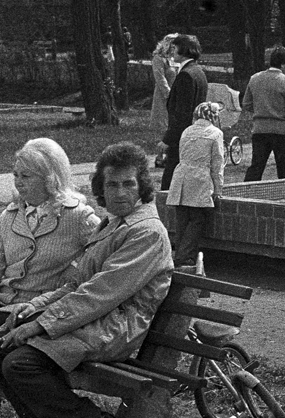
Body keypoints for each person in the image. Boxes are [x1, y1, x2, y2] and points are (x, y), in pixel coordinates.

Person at [0, 142, 173, 418]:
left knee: (20, 364)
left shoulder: (146, 232)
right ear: (101, 189)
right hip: (93, 320)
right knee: (5, 353)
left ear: (141, 186)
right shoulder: (114, 223)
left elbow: (100, 292)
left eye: (128, 184)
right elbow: (76, 285)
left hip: (115, 328)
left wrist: (41, 325)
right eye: (111, 185)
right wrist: (34, 307)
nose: (119, 193)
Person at [2, 139, 99, 307]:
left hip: (45, 308)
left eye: (26, 176)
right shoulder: (8, 216)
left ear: (50, 179)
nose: (18, 182)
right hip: (5, 303)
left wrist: (76, 267)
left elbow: (106, 247)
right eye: (15, 175)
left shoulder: (77, 215)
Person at [166, 102, 224, 268]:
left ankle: (179, 254)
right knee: (198, 218)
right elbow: (217, 164)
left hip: (181, 177)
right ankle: (183, 256)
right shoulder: (215, 134)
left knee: (182, 219)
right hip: (200, 179)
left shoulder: (186, 131)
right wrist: (218, 189)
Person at [243, 46, 285, 181]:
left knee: (256, 167)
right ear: (283, 64)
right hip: (281, 130)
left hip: (260, 129)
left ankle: (245, 195)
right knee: (284, 170)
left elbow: (246, 104)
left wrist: (261, 110)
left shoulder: (255, 78)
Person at [160, 34, 208, 190]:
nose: (172, 51)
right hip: (192, 134)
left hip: (182, 137)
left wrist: (167, 139)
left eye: (175, 47)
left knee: (169, 183)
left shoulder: (186, 75)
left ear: (184, 49)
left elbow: (182, 113)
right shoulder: (198, 71)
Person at [150, 33, 180, 165]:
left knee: (173, 124)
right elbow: (160, 78)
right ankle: (160, 157)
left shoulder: (175, 59)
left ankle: (170, 154)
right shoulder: (158, 58)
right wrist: (168, 95)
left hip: (176, 96)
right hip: (163, 97)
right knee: (163, 125)